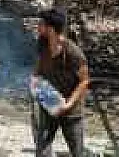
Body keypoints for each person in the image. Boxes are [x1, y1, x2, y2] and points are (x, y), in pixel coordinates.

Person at [30, 8, 89, 157]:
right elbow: (39, 66)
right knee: (42, 149)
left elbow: (84, 81)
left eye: (41, 24)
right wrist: (34, 81)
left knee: (77, 152)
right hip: (50, 103)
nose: (38, 27)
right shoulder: (42, 44)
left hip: (71, 111)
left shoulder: (73, 52)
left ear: (50, 29)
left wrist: (68, 104)